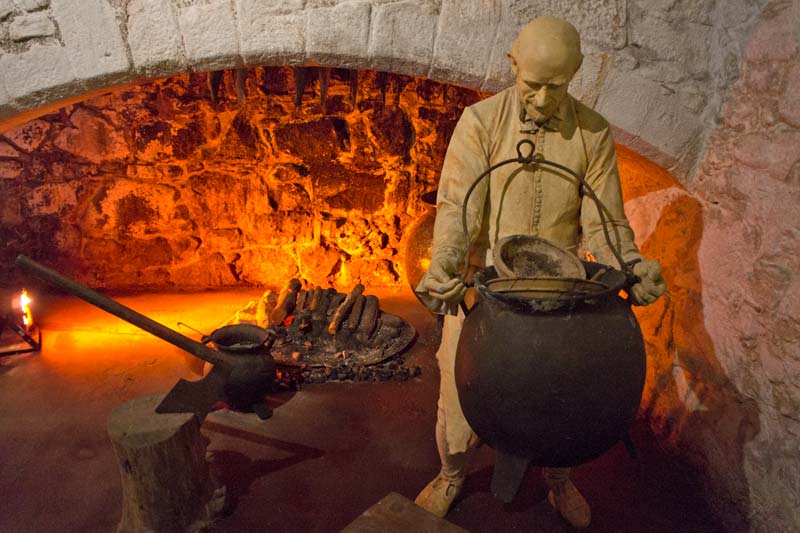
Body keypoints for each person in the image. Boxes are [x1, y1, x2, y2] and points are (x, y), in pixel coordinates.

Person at [413, 16, 666, 529]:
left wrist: (632, 266)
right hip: (487, 296)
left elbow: (606, 223)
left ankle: (558, 480)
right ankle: (452, 475)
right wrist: (444, 266)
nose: (545, 100)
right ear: (512, 65)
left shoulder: (592, 132)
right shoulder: (480, 123)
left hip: (561, 299)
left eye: (558, 87)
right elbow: (457, 208)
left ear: (575, 74)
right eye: (533, 86)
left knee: (562, 403)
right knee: (459, 405)